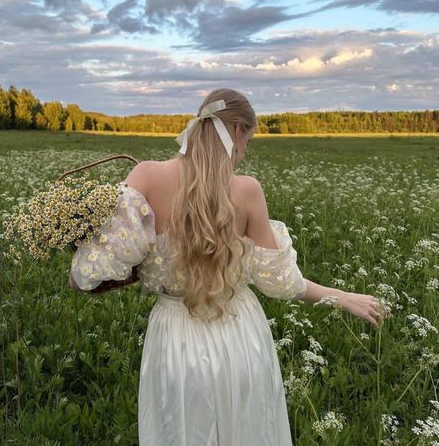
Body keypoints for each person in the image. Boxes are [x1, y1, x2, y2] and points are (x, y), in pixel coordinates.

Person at [69, 88, 386, 445]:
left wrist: (75, 237)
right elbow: (283, 282)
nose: (245, 151)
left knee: (181, 431)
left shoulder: (145, 176)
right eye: (248, 140)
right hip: (242, 337)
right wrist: (340, 296)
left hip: (176, 341)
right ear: (236, 131)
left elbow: (94, 272)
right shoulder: (248, 190)